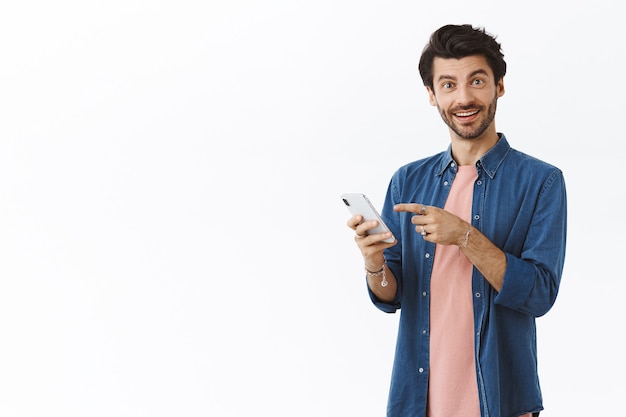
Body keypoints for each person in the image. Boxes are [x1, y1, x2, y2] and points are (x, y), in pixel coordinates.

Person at [346, 24, 567, 417]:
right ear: (432, 95)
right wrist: (374, 265)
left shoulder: (541, 182)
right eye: (448, 85)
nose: (463, 97)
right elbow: (390, 296)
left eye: (476, 81)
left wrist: (466, 236)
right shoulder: (407, 181)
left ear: (499, 86)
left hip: (502, 399)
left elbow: (540, 294)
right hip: (418, 399)